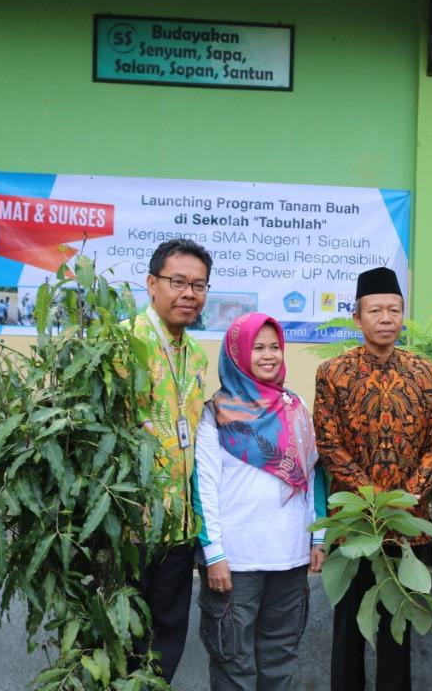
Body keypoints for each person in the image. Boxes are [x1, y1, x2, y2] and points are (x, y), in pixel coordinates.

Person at [313, 266, 432, 691]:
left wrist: (404, 501)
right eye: (376, 310)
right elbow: (328, 444)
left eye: (394, 309)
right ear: (357, 317)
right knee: (349, 627)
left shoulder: (427, 374)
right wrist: (371, 500)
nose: (386, 318)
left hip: (409, 526)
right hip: (354, 525)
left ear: (403, 315)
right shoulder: (333, 374)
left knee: (398, 628)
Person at [195, 312, 327, 690]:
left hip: (290, 556)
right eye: (258, 347)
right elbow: (203, 487)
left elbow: (313, 473)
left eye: (274, 347)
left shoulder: (294, 406)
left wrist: (318, 538)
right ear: (237, 353)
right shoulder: (215, 413)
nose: (268, 355)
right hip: (236, 562)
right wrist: (214, 553)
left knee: (280, 657)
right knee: (233, 662)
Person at [129, 238, 213, 681]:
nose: (188, 293)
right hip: (129, 527)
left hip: (179, 531)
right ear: (151, 283)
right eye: (177, 281)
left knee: (167, 641)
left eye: (198, 285)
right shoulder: (122, 345)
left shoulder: (196, 356)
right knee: (124, 643)